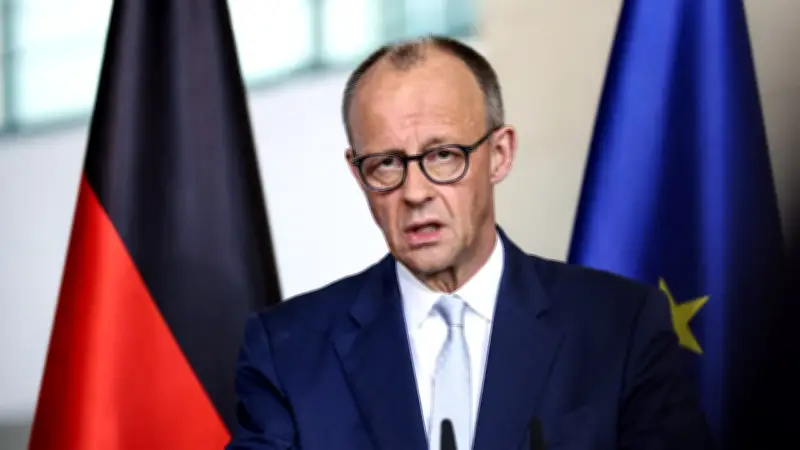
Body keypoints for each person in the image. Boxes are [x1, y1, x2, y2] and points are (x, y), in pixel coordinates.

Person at [225, 36, 713, 450]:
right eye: (386, 164)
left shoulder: (621, 327)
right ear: (357, 174)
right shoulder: (288, 352)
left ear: (499, 154)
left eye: (443, 155)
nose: (415, 192)